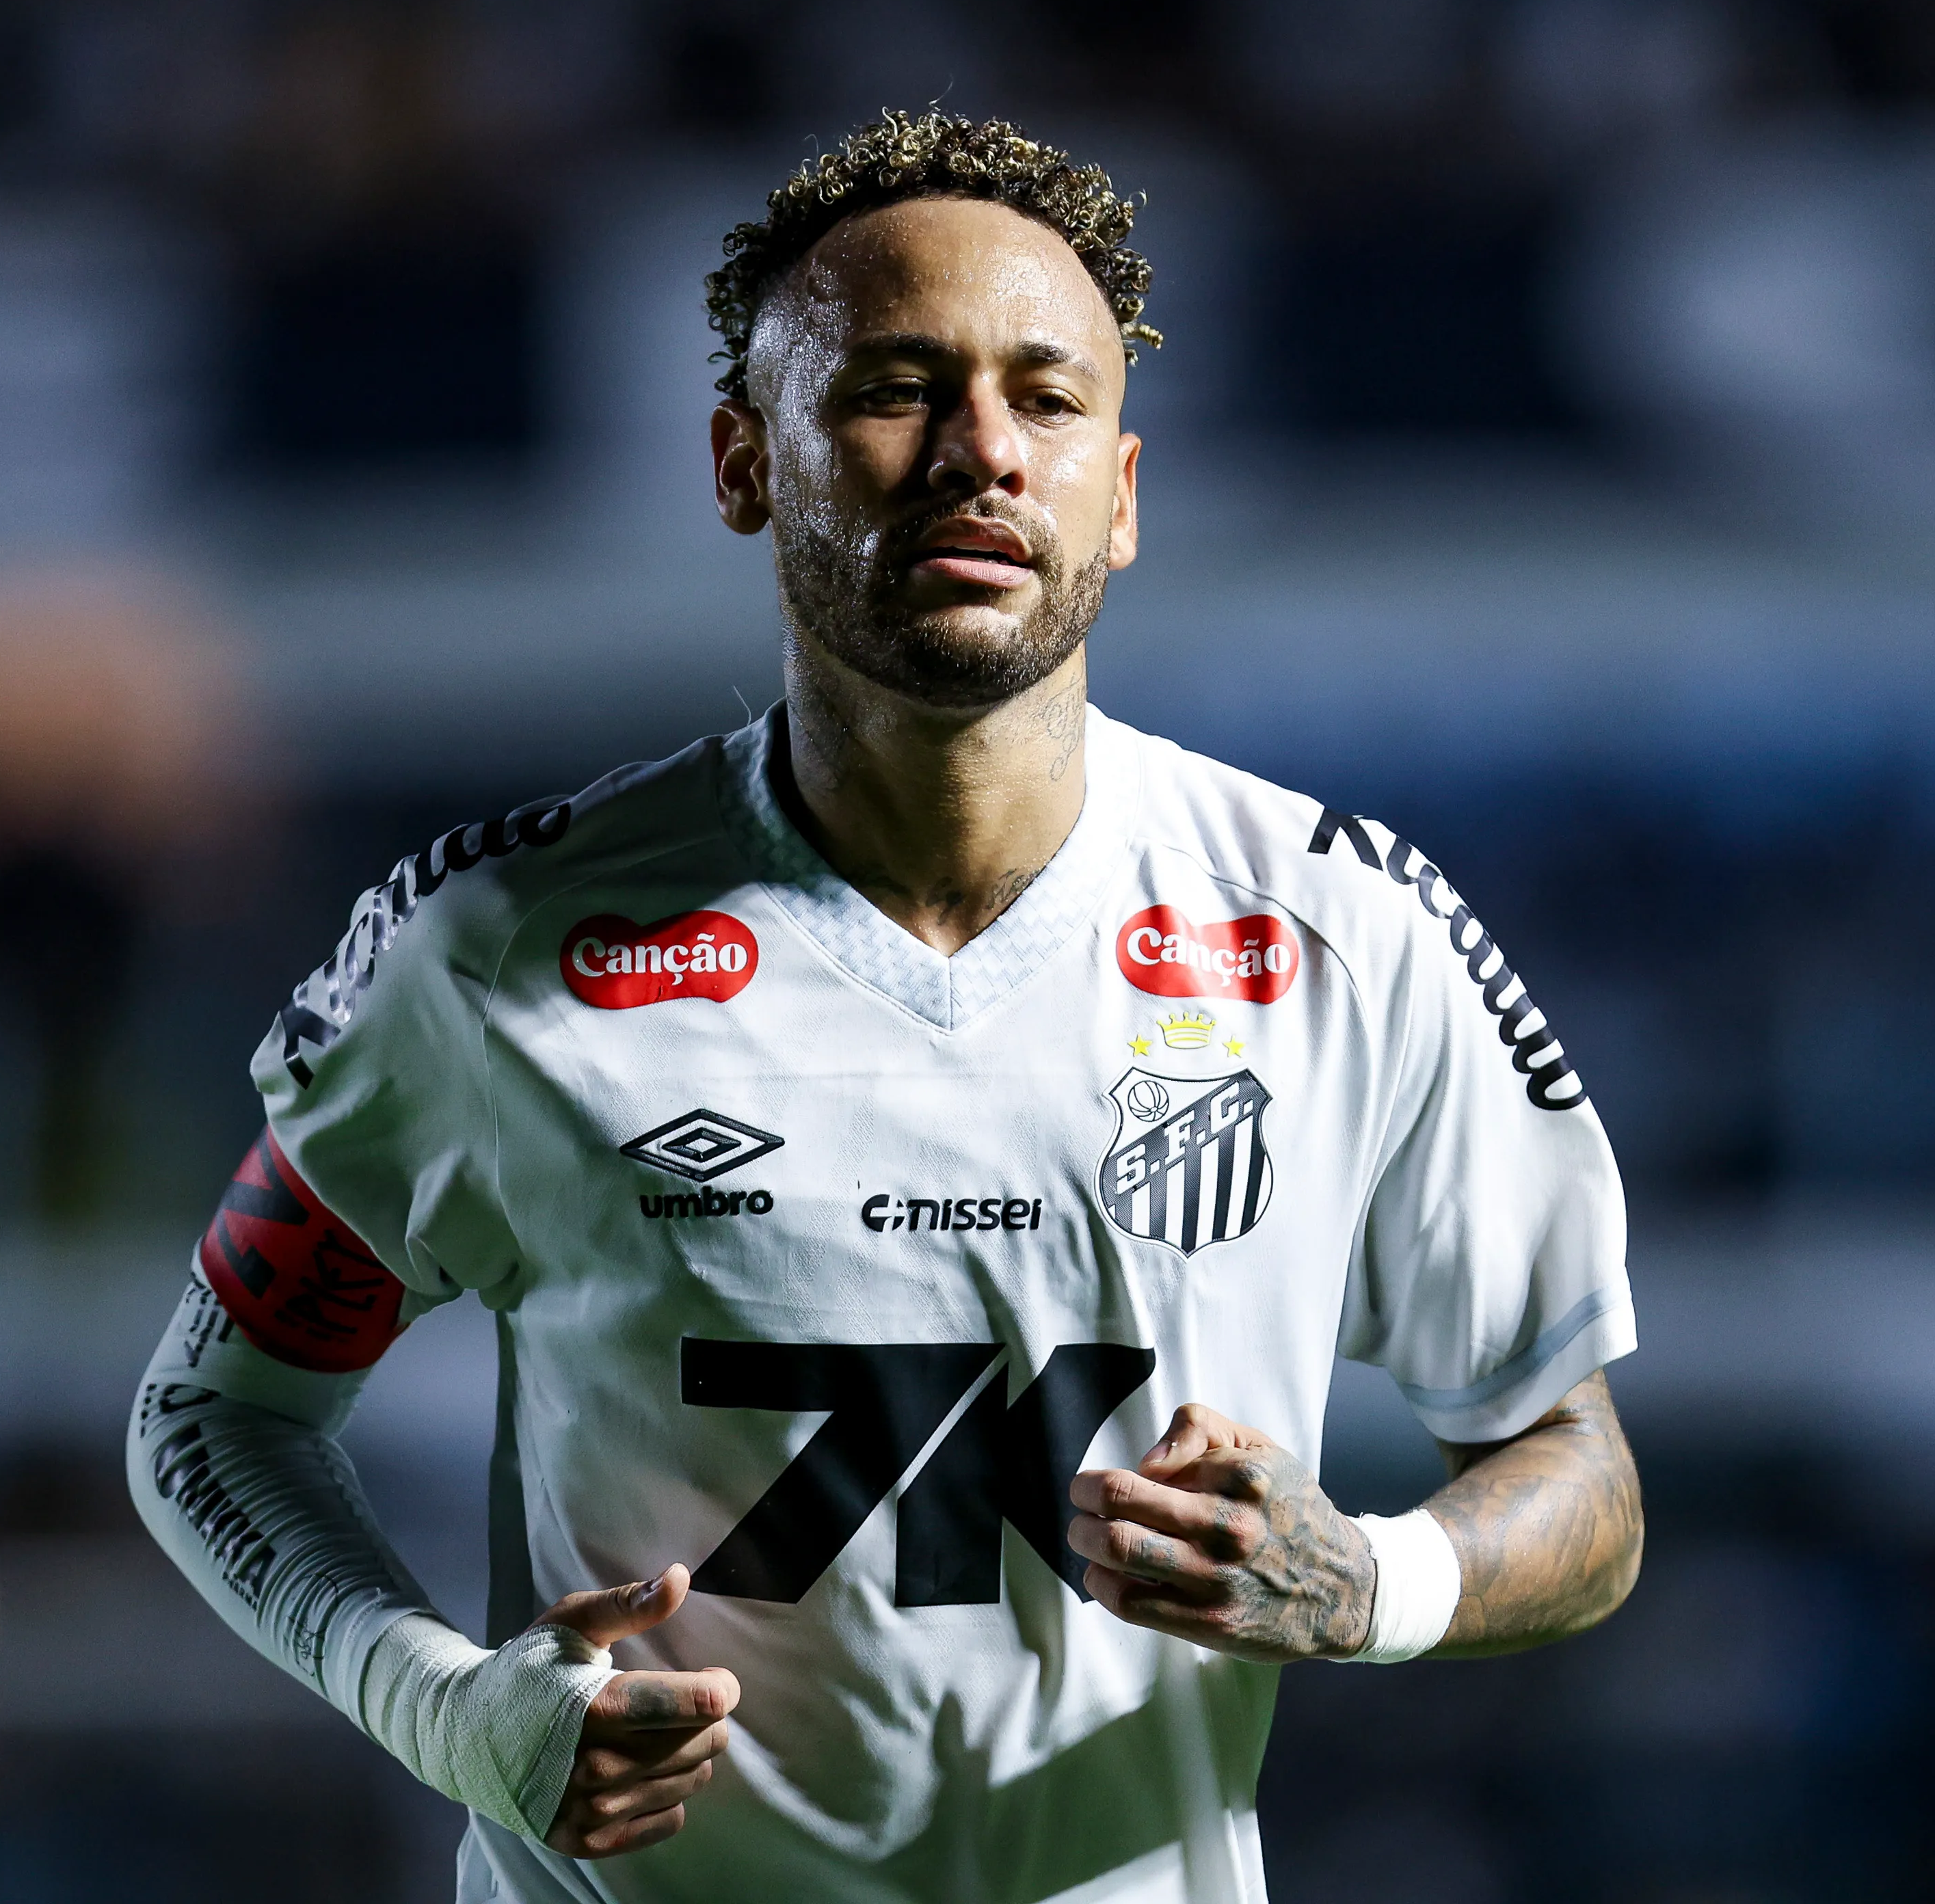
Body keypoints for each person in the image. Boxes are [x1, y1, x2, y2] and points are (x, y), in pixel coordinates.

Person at [129, 108, 1642, 1903]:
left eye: (1048, 397)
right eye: (896, 387)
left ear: (1125, 494)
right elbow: (213, 1418)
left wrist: (1369, 1584)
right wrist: (442, 1705)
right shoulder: (493, 951)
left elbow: (1571, 1464)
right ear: (743, 462)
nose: (982, 451)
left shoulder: (1340, 935)